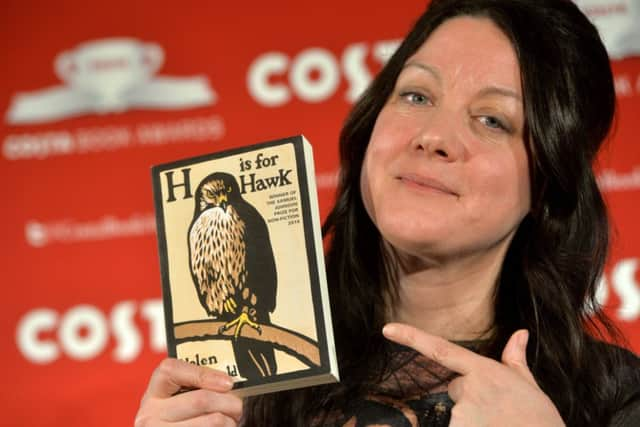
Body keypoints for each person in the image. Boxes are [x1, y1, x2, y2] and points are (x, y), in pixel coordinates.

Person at [135, 0, 640, 425]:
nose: (434, 137)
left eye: (492, 119)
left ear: (548, 183)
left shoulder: (615, 399)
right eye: (416, 95)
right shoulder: (241, 384)